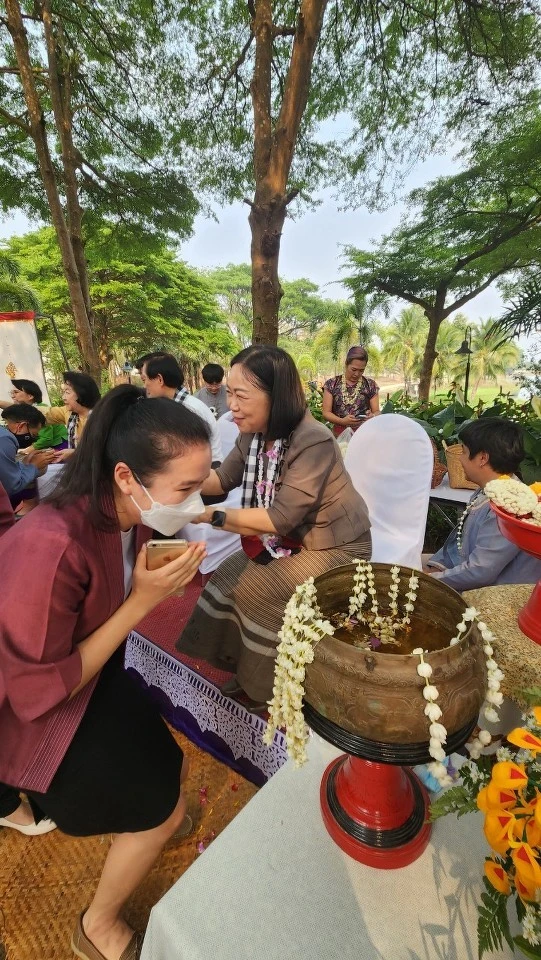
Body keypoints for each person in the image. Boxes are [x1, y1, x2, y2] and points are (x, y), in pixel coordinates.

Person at [0, 385, 209, 960]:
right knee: (158, 813)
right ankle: (97, 925)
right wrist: (142, 601)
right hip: (37, 713)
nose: (193, 507)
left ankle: (152, 813)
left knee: (163, 761)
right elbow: (37, 692)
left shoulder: (123, 513)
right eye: (186, 490)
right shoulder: (49, 545)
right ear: (125, 477)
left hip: (94, 675)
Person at [177, 345, 372, 710]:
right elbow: (222, 479)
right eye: (230, 393)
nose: (230, 405)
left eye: (241, 395)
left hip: (336, 546)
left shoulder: (312, 439)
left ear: (276, 395)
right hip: (290, 540)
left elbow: (280, 517)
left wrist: (210, 516)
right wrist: (176, 480)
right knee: (229, 573)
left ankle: (269, 689)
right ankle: (245, 666)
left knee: (259, 591)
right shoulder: (253, 432)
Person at [425, 418, 541, 590]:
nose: (460, 460)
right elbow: (459, 545)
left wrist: (429, 579)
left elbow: (480, 571)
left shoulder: (510, 505)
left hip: (495, 599)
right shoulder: (488, 490)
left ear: (482, 458)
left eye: (463, 452)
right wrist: (435, 566)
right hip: (469, 575)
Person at [140, 353, 223, 464]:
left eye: (144, 380)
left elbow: (191, 458)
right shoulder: (172, 407)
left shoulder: (190, 409)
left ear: (159, 379)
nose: (144, 386)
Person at [0, 404, 54, 509]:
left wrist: (23, 463)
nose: (32, 439)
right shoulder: (5, 440)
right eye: (33, 435)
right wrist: (34, 467)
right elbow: (11, 486)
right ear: (21, 426)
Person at [322, 345, 380, 437]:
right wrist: (342, 421)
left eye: (361, 370)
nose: (357, 374)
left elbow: (377, 411)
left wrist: (372, 416)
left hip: (363, 435)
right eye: (353, 369)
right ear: (346, 364)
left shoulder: (371, 385)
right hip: (339, 436)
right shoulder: (331, 384)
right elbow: (326, 413)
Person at [46, 370, 101, 462]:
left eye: (67, 392)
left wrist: (75, 453)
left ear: (82, 393)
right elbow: (45, 413)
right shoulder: (69, 413)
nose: (63, 397)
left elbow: (104, 450)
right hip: (78, 467)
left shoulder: (102, 417)